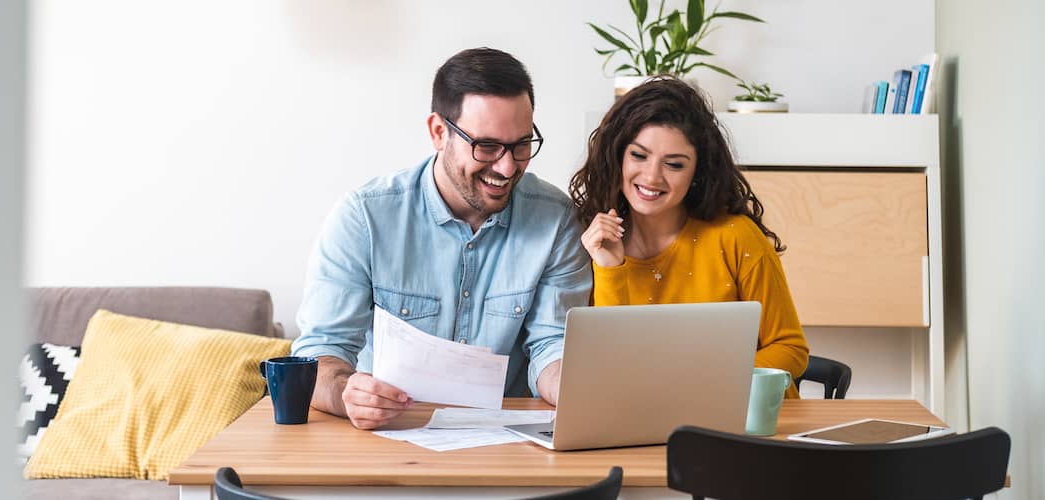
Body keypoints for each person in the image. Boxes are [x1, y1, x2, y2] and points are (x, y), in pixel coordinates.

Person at [292, 47, 592, 429]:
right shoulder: (364, 218)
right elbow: (319, 355)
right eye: (486, 146)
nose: (506, 167)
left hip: (506, 446)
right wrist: (347, 393)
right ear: (438, 132)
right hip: (385, 439)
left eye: (520, 145)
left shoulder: (555, 219)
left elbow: (552, 345)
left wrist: (572, 388)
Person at [569, 76, 809, 397]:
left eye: (674, 164)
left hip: (743, 421)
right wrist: (609, 268)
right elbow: (610, 366)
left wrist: (703, 384)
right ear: (617, 156)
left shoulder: (735, 237)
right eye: (639, 156)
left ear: (698, 172)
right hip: (643, 419)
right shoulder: (591, 242)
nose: (652, 176)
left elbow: (790, 347)